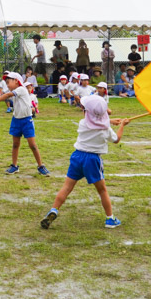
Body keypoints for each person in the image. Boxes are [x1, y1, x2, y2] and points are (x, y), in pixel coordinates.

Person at [40, 96, 129, 230]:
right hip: (92, 160)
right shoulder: (106, 130)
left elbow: (93, 122)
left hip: (77, 156)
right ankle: (110, 219)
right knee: (102, 190)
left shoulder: (83, 123)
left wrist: (110, 121)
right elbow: (116, 139)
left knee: (67, 187)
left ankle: (54, 210)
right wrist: (122, 125)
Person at [0, 71, 49, 176]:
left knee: (33, 145)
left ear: (16, 81)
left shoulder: (21, 89)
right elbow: (4, 95)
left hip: (27, 121)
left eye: (9, 82)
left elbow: (6, 95)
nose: (7, 84)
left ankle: (41, 166)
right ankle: (14, 166)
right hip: (16, 120)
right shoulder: (14, 90)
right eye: (6, 83)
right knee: (15, 144)